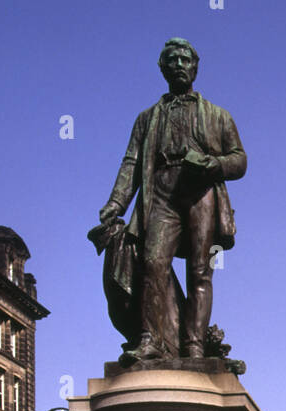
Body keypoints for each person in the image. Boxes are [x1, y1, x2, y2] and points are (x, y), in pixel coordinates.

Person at [95, 37, 247, 362]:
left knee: (199, 270)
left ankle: (193, 346)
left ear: (195, 68)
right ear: (163, 68)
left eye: (185, 60)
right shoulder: (146, 118)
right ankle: (151, 339)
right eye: (173, 60)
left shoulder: (218, 115)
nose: (179, 65)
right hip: (161, 193)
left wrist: (213, 164)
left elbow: (240, 159)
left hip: (200, 192)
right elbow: (131, 164)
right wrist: (115, 204)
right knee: (152, 264)